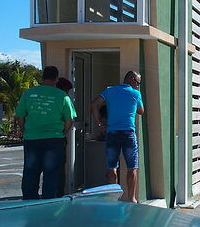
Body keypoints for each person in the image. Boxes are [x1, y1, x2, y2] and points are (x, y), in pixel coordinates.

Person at [16, 66, 77, 199]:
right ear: (56, 79)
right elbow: (70, 120)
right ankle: (50, 204)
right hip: (54, 139)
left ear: (42, 78)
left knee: (30, 172)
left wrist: (24, 130)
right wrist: (62, 132)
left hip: (31, 139)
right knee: (52, 173)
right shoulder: (62, 96)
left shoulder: (28, 93)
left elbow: (20, 116)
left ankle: (29, 200)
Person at [91, 71, 144, 203]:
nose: (137, 86)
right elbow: (141, 110)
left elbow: (94, 105)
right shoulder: (135, 93)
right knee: (132, 168)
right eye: (137, 82)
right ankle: (131, 199)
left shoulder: (109, 91)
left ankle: (112, 200)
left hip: (112, 133)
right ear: (132, 80)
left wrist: (99, 124)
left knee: (111, 168)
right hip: (128, 134)